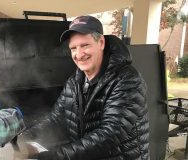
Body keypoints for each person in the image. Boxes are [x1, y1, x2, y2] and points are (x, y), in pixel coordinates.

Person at [17, 15, 149, 159]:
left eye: (85, 45)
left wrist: (52, 157)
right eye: (73, 48)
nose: (79, 54)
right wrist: (23, 137)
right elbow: (56, 120)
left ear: (101, 42)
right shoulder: (74, 82)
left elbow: (110, 134)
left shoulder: (127, 79)